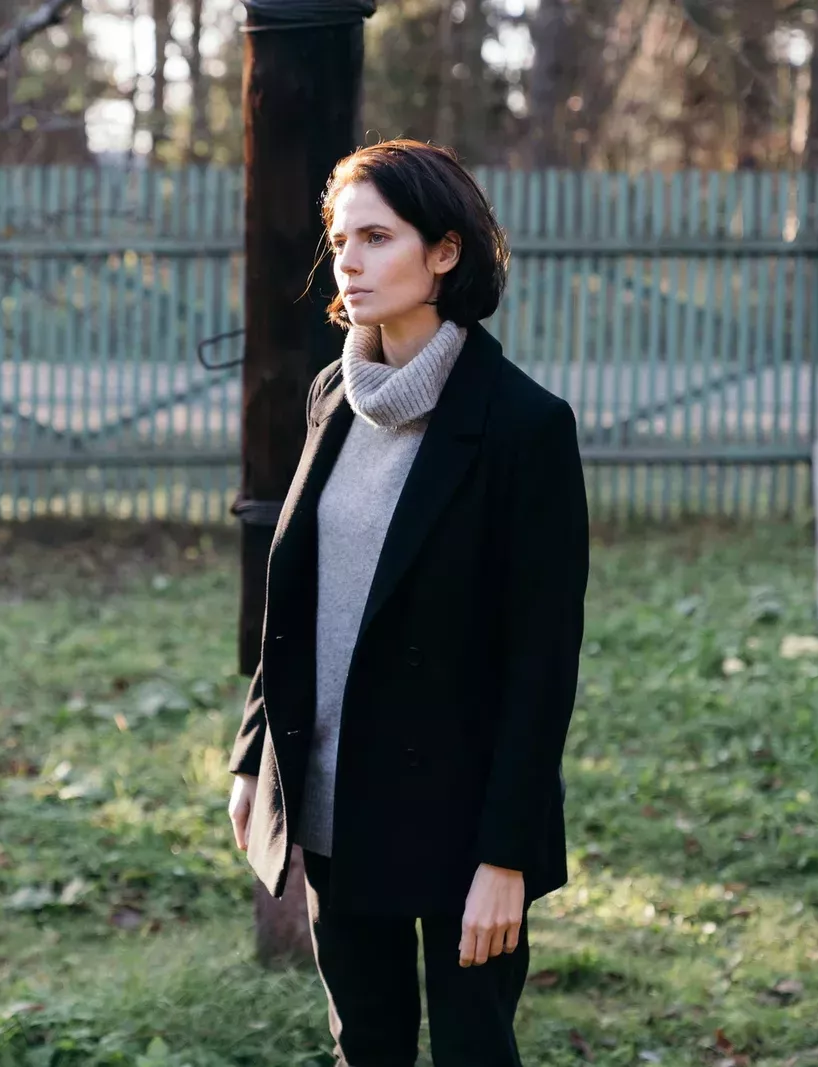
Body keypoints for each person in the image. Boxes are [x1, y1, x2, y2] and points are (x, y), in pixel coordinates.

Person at [225, 139, 589, 1065]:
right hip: (335, 799)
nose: (347, 260)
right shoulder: (331, 397)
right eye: (341, 237)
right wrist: (255, 756)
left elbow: (542, 665)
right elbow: (295, 599)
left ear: (445, 252)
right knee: (366, 1047)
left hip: (463, 820)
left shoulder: (525, 427)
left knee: (473, 1049)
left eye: (378, 237)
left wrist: (506, 857)